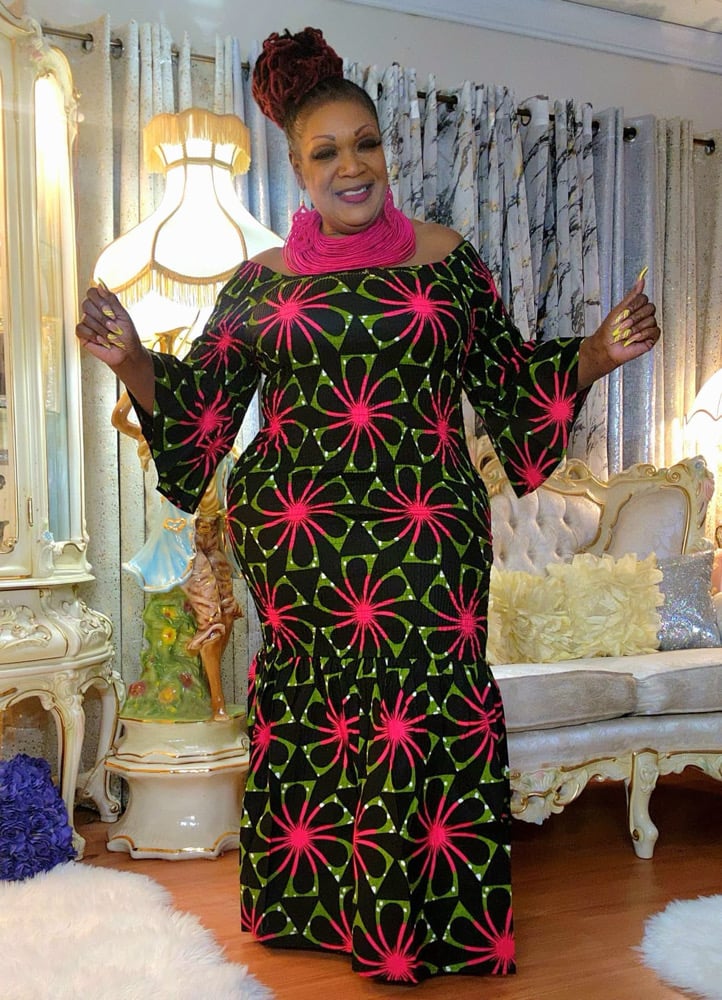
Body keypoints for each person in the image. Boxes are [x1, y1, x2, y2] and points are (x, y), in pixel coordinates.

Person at [76, 26, 660, 986]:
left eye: (366, 143)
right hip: (300, 541)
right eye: (326, 152)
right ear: (299, 170)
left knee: (422, 711)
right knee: (322, 715)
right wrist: (135, 359)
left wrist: (596, 353)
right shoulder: (260, 283)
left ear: (386, 150)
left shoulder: (449, 261)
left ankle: (425, 928)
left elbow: (511, 387)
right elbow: (201, 414)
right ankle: (316, 910)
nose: (351, 166)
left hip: (427, 534)